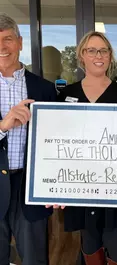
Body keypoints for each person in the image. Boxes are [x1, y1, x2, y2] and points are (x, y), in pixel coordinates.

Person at [56, 31, 117, 265]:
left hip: (116, 184)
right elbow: (55, 140)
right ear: (81, 56)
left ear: (110, 56)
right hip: (81, 183)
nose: (98, 55)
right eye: (91, 50)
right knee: (89, 242)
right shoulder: (67, 94)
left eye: (103, 50)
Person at [0, 14, 56, 265]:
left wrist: (56, 185)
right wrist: (3, 126)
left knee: (35, 259)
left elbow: (57, 142)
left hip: (29, 188)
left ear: (20, 43)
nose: (2, 48)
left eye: (8, 39)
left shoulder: (44, 89)